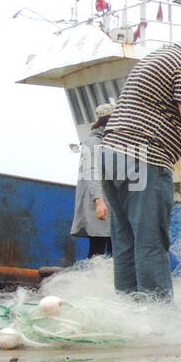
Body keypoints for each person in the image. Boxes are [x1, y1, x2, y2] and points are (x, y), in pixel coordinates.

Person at [99, 27, 181, 299]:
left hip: (110, 156)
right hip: (143, 159)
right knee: (150, 241)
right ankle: (157, 317)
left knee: (125, 240)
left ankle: (128, 310)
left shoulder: (158, 56)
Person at [72, 102, 114, 257]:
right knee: (98, 247)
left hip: (108, 203)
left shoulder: (106, 141)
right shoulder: (93, 142)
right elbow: (91, 172)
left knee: (113, 247)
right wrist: (99, 201)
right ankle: (93, 279)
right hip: (97, 203)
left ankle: (109, 280)